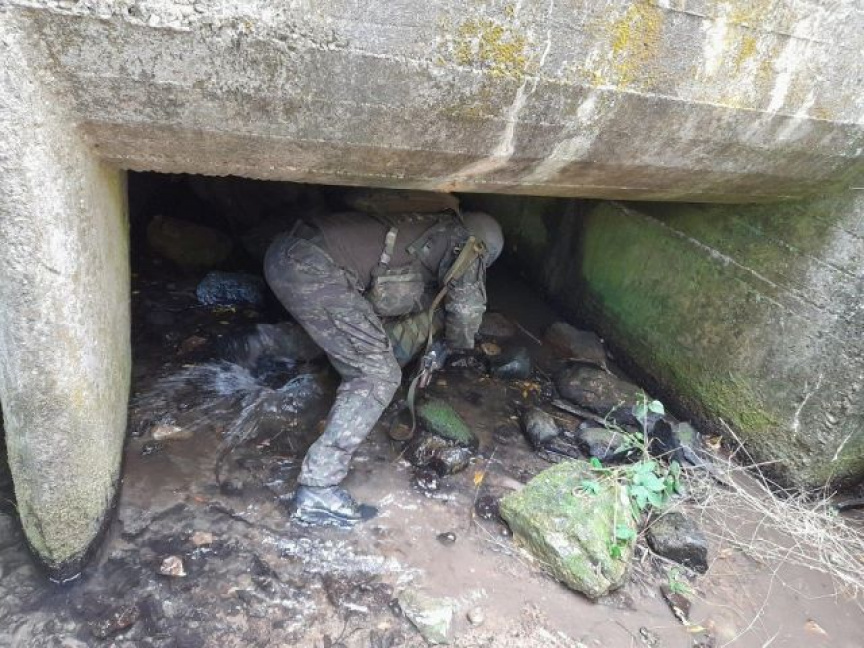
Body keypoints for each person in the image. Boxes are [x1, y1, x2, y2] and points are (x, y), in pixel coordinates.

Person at [264, 201, 503, 528]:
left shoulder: (430, 222)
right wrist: (455, 347)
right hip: (313, 270)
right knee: (377, 374)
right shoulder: (469, 246)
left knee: (348, 335)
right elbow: (466, 313)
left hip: (284, 252)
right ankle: (318, 488)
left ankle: (257, 346)